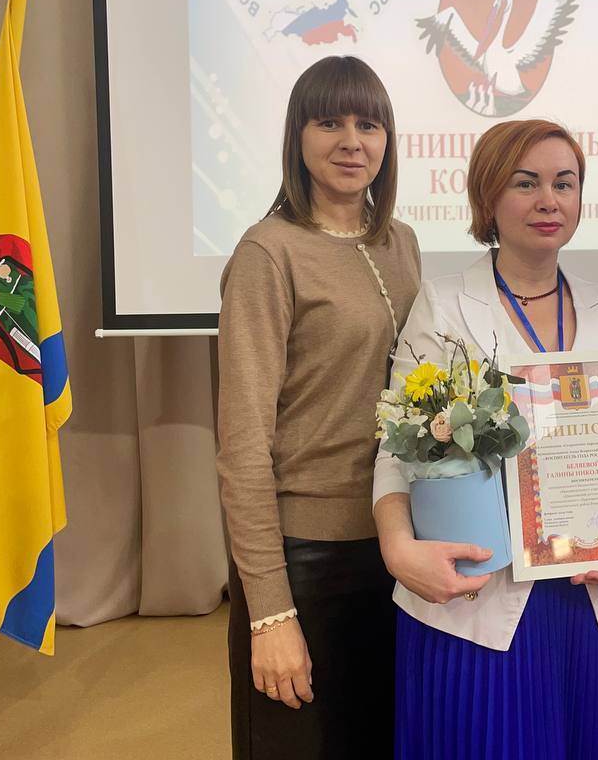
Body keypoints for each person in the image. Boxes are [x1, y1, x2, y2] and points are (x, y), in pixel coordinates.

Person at [373, 119, 598, 760]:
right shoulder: (442, 304)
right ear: (488, 198)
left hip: (585, 592)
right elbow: (395, 448)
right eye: (526, 183)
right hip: (477, 594)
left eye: (564, 184)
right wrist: (397, 549)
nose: (549, 200)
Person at [216, 56, 421, 759]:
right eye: (330, 122)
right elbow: (243, 443)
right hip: (304, 557)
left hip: (394, 543)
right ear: (297, 136)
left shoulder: (400, 243)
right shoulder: (267, 253)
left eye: (369, 125)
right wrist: (270, 610)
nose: (352, 142)